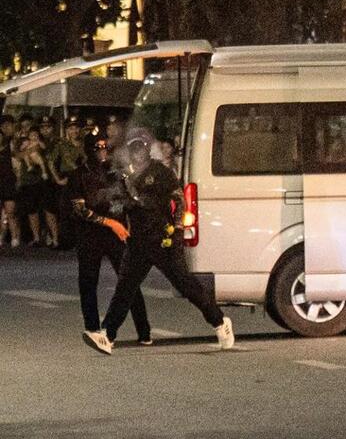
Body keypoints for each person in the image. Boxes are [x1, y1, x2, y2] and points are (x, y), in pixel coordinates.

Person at [87, 129, 233, 355]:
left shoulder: (160, 172)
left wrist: (178, 229)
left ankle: (220, 321)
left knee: (186, 285)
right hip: (138, 242)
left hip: (163, 239)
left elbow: (179, 199)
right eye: (132, 148)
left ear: (147, 149)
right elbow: (116, 204)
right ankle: (107, 334)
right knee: (125, 289)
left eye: (140, 147)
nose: (136, 152)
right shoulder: (125, 177)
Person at [71, 135, 151, 345]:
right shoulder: (79, 175)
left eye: (105, 147)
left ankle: (144, 331)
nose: (102, 151)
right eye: (98, 147)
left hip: (117, 234)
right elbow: (79, 209)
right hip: (90, 235)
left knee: (129, 281)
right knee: (88, 283)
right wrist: (109, 222)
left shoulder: (116, 173)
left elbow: (130, 199)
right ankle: (92, 329)